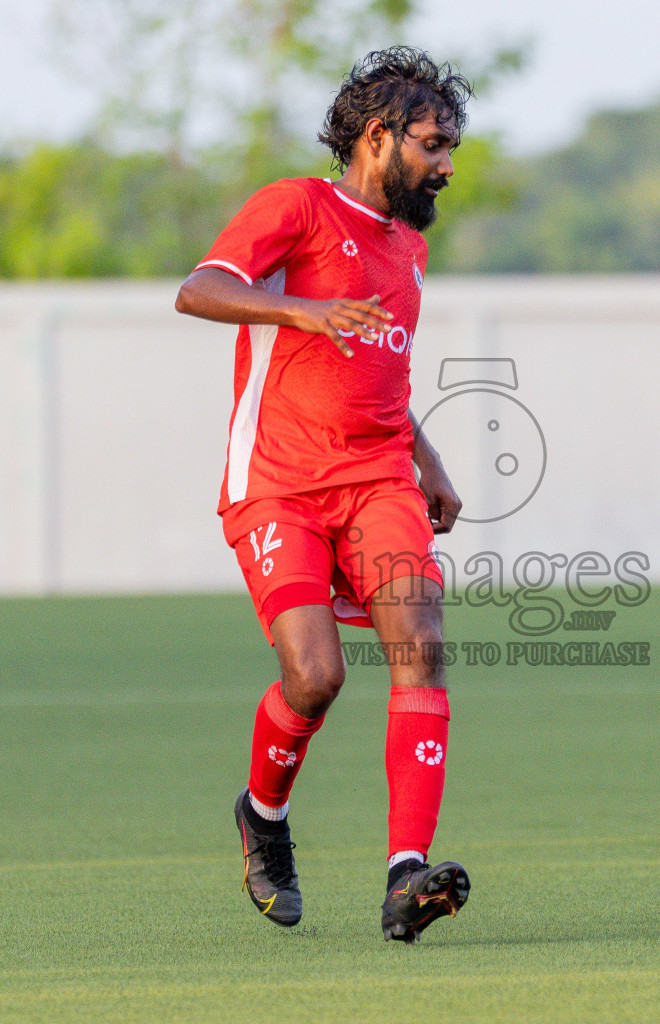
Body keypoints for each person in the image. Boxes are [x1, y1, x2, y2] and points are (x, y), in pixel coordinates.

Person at [174, 47, 471, 944]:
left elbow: (380, 373)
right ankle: (263, 816)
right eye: (434, 143)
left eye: (452, 145)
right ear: (378, 137)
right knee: (316, 675)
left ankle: (405, 873)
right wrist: (302, 310)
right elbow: (199, 290)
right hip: (277, 483)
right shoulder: (296, 205)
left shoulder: (410, 248)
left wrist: (429, 460)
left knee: (419, 641)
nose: (448, 165)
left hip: (377, 475)